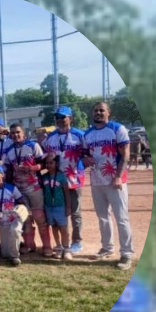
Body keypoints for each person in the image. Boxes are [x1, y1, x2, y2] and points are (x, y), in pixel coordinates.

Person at [81, 100, 133, 270]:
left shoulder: (117, 129)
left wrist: (118, 176)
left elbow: (125, 155)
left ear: (108, 112)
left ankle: (126, 253)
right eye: (95, 111)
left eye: (101, 110)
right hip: (97, 181)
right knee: (103, 217)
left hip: (115, 181)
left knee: (121, 217)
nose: (98, 113)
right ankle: (107, 247)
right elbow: (85, 155)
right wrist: (86, 159)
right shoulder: (88, 134)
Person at [43, 105, 86, 254]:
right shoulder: (51, 137)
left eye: (63, 117)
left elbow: (87, 155)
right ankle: (61, 243)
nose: (60, 120)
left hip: (73, 180)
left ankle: (77, 241)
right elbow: (46, 156)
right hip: (55, 181)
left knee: (75, 212)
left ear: (70, 118)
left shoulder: (80, 135)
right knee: (59, 210)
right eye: (57, 117)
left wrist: (79, 169)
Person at [6, 122, 48, 256]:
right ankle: (30, 245)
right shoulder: (9, 150)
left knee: (40, 217)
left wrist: (32, 168)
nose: (15, 135)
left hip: (35, 187)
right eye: (12, 133)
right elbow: (8, 170)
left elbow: (43, 163)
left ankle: (47, 246)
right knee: (25, 218)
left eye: (18, 132)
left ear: (23, 133)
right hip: (19, 189)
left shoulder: (33, 145)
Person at [0, 164, 29, 268]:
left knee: (15, 230)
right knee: (5, 254)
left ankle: (16, 257)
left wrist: (22, 209)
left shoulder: (11, 188)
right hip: (2, 223)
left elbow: (21, 202)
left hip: (13, 219)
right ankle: (11, 246)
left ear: (2, 175)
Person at [38, 154, 72, 261]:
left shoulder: (61, 176)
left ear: (56, 163)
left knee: (63, 228)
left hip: (60, 206)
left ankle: (66, 249)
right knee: (54, 227)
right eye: (47, 163)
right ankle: (58, 247)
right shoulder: (44, 176)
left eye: (51, 163)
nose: (49, 165)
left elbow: (66, 193)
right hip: (49, 207)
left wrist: (68, 207)